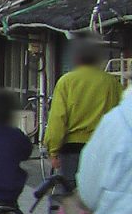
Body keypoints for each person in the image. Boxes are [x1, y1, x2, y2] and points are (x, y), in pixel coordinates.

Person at [43, 44, 122, 181]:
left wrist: (53, 150)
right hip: (102, 148)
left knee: (69, 194)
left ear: (77, 59)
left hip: (72, 148)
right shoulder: (112, 82)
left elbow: (58, 119)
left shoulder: (66, 81)